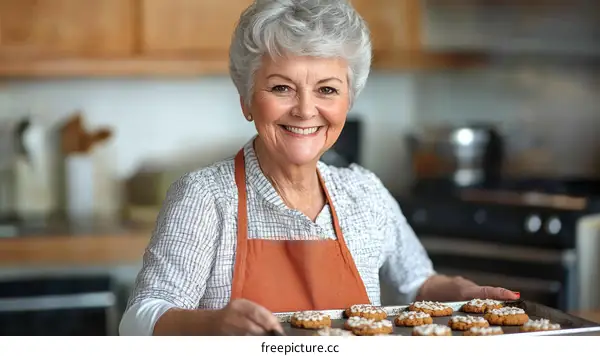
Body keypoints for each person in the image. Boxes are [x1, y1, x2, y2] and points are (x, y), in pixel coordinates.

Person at [119, 0, 518, 336]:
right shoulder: (205, 197)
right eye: (281, 87)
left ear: (348, 101)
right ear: (245, 99)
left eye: (327, 89)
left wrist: (461, 292)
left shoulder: (364, 192)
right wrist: (211, 325)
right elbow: (137, 321)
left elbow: (417, 282)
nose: (306, 110)